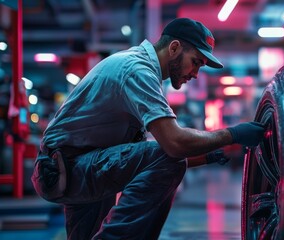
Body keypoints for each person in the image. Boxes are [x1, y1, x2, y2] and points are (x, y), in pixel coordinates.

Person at [31, 18, 266, 240]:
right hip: (70, 168)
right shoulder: (137, 70)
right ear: (174, 48)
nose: (195, 74)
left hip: (77, 167)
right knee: (170, 158)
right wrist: (231, 135)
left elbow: (139, 155)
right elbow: (172, 145)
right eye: (195, 62)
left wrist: (207, 155)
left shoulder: (139, 68)